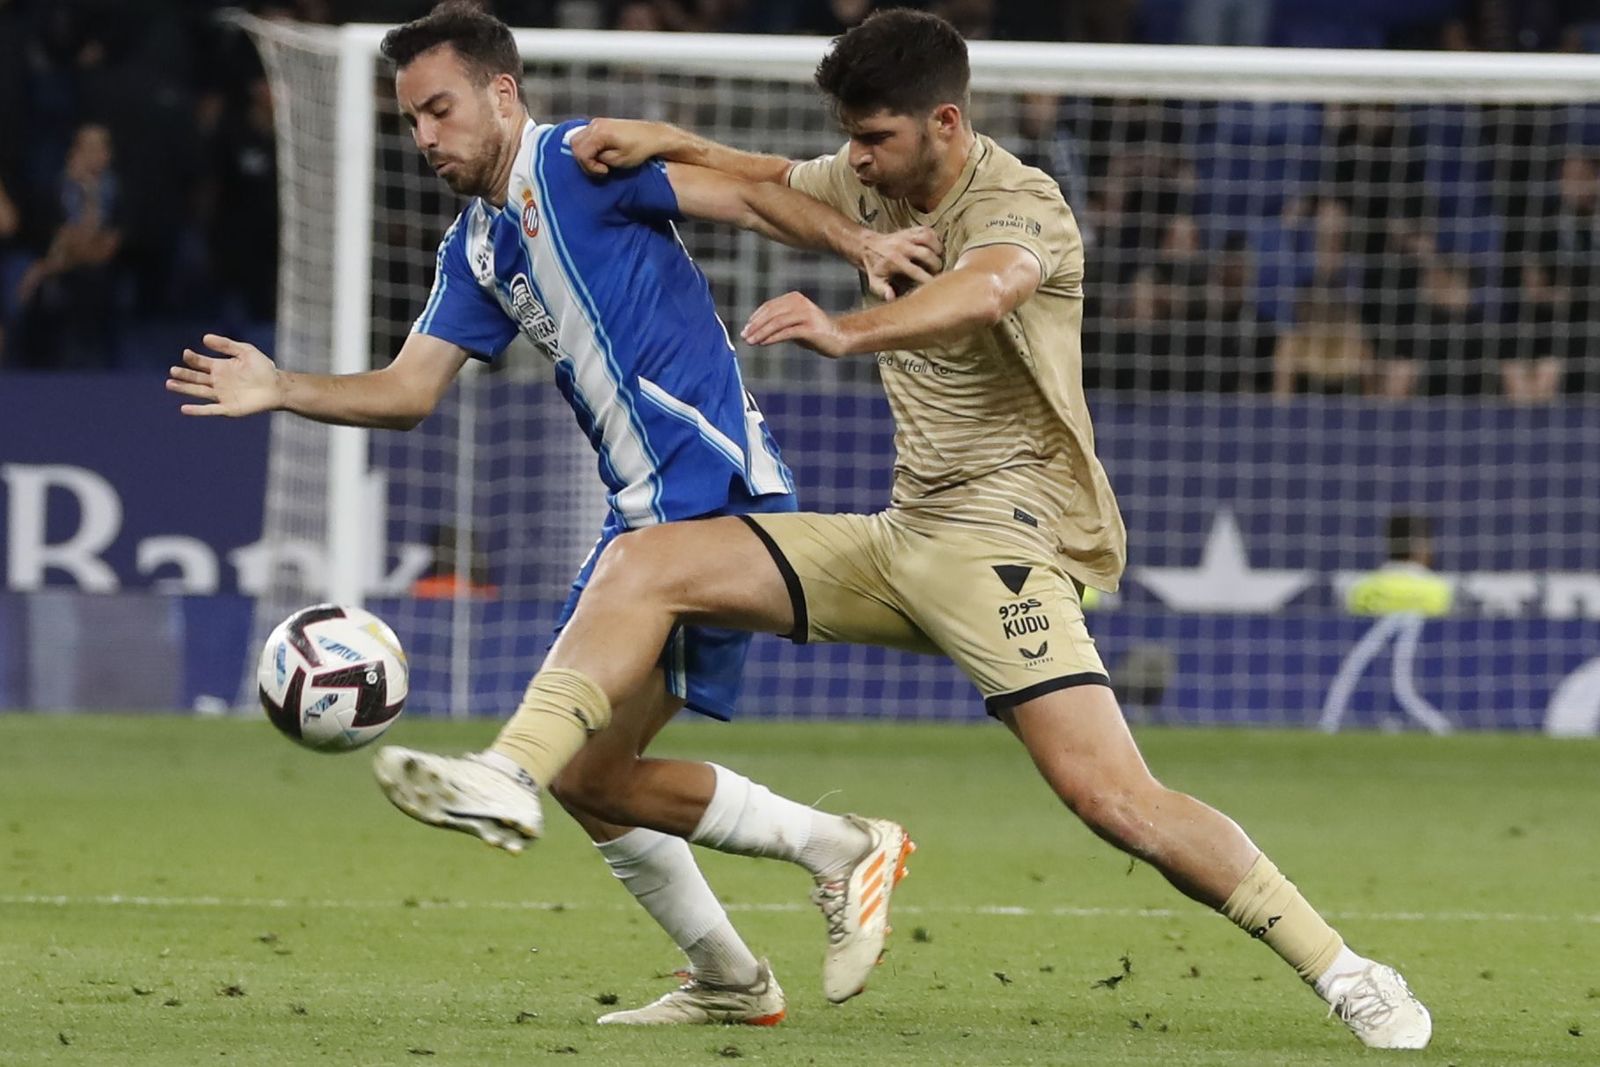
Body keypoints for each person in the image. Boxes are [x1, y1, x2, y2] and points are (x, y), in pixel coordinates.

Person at [373, 9, 1434, 1050]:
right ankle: (519, 773)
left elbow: (981, 292)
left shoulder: (1023, 203)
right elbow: (778, 180)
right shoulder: (869, 175)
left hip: (1000, 542)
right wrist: (675, 143)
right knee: (645, 559)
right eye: (852, 138)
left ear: (945, 124)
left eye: (875, 139)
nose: (858, 162)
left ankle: (1347, 970)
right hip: (900, 537)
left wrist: (847, 328)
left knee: (1114, 797)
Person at [165, 1, 942, 1027]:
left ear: (500, 91)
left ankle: (510, 776)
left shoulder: (576, 159)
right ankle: (747, 955)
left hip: (709, 490)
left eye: (439, 109)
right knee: (596, 776)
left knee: (567, 757)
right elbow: (406, 393)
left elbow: (747, 203)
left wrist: (853, 241)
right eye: (410, 122)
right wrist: (283, 388)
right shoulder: (476, 248)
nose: (426, 137)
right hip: (644, 515)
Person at [1320, 513, 1454, 734]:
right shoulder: (1438, 590)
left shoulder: (1361, 589)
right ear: (1420, 547)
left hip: (1361, 695)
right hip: (1418, 679)